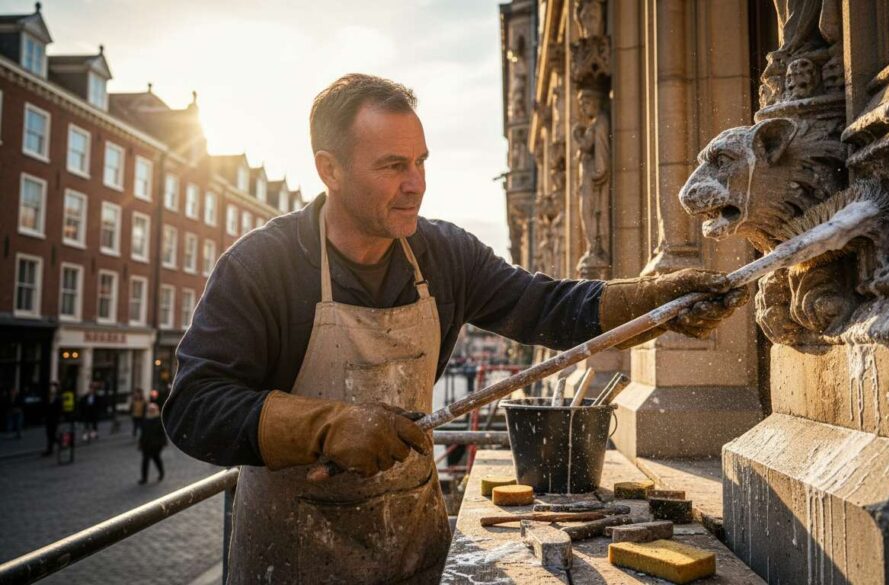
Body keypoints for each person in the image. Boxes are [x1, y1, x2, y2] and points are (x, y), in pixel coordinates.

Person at [163, 74, 747, 584]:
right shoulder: (260, 267)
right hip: (292, 558)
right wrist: (328, 426)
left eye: (420, 162)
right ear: (329, 170)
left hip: (414, 554)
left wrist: (653, 301)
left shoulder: (444, 256)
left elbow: (544, 305)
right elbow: (194, 408)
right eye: (393, 166)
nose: (415, 183)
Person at [138, 402, 166, 484]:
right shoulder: (145, 419)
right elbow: (143, 433)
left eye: (152, 410)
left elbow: (162, 433)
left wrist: (162, 443)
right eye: (150, 410)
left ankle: (161, 473)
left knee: (156, 459)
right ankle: (144, 478)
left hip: (155, 445)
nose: (151, 411)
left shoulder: (159, 419)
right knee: (145, 461)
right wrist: (140, 443)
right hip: (146, 444)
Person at [42, 382, 62, 456]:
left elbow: (59, 410)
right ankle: (59, 442)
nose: (52, 389)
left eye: (53, 388)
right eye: (51, 388)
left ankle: (50, 449)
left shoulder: (59, 398)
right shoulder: (49, 397)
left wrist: (58, 419)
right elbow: (46, 408)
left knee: (52, 434)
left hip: (54, 419)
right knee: (49, 434)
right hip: (48, 419)